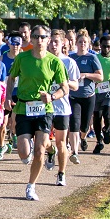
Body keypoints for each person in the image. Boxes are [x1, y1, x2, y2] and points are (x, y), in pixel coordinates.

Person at [5, 25, 68, 201]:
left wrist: (52, 96)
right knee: (24, 153)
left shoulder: (55, 62)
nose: (39, 40)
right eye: (36, 37)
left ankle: (31, 186)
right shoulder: (22, 58)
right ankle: (51, 149)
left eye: (43, 37)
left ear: (48, 39)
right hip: (24, 107)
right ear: (31, 39)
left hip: (44, 109)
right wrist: (8, 96)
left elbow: (64, 88)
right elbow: (11, 78)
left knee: (39, 151)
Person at [47, 29, 79, 186]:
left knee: (61, 143)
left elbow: (76, 85)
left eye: (56, 42)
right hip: (44, 108)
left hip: (62, 108)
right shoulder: (42, 60)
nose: (53, 45)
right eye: (51, 41)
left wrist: (64, 82)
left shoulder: (69, 62)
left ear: (63, 44)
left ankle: (61, 174)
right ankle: (50, 152)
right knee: (43, 140)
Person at [70, 32, 102, 162]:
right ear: (76, 43)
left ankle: (83, 137)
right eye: (80, 42)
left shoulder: (92, 58)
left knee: (84, 126)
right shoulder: (71, 58)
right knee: (75, 124)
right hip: (74, 96)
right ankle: (74, 152)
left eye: (85, 42)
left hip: (88, 96)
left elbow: (100, 77)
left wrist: (86, 74)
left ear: (88, 44)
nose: (82, 44)